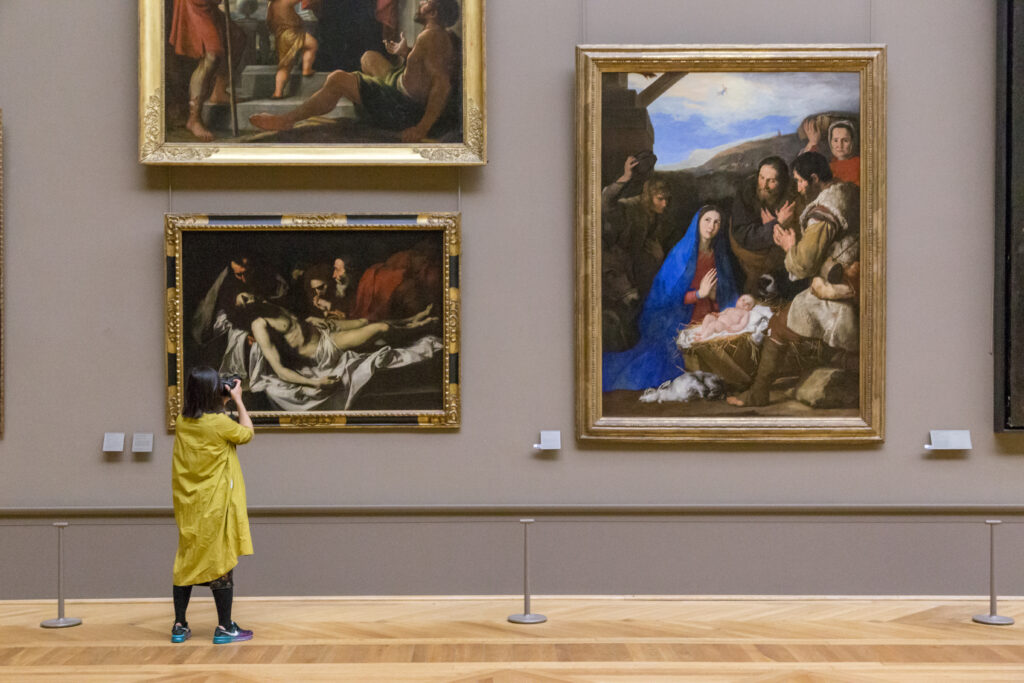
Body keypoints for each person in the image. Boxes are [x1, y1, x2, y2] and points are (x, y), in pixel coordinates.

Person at [728, 152, 859, 407]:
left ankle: (758, 393)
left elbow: (803, 264)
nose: (797, 189)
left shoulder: (824, 211)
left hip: (837, 290)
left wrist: (789, 245)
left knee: (778, 327)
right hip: (844, 282)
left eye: (799, 182)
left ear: (813, 179)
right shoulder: (848, 192)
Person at [249, 0, 461, 142]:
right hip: (401, 83)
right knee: (369, 57)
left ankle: (287, 119)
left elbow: (441, 85)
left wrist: (422, 128)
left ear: (433, 12)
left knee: (338, 79)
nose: (420, 3)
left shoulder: (432, 38)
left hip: (404, 107)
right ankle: (367, 95)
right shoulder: (434, 34)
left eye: (425, 2)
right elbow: (422, 70)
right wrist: (405, 53)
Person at [602, 205, 740, 391]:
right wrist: (699, 294)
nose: (711, 226)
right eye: (707, 220)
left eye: (717, 222)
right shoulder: (681, 254)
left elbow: (727, 293)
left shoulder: (719, 257)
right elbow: (666, 297)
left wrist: (715, 298)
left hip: (709, 312)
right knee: (661, 357)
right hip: (679, 313)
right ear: (697, 223)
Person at [171, 366, 255, 645]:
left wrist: (220, 402)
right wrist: (238, 400)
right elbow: (246, 434)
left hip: (190, 504)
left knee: (186, 560)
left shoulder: (183, 421)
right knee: (221, 562)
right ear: (212, 392)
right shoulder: (219, 424)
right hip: (216, 503)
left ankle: (180, 625)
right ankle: (224, 627)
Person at [168, 0, 246, 141]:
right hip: (194, 5)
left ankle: (218, 92)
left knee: (236, 37)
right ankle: (194, 119)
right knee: (212, 55)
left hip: (208, 5)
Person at [728, 156, 799, 296]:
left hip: (782, 252)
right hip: (748, 249)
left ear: (782, 182)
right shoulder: (747, 191)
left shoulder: (793, 193)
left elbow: (798, 231)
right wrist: (776, 224)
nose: (764, 185)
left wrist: (778, 226)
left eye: (771, 181)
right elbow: (742, 234)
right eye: (761, 178)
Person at [267, 0, 319, 99]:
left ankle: (278, 92)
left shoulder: (271, 5)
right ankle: (306, 69)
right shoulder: (282, 2)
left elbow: (270, 24)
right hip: (291, 34)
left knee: (285, 65)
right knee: (312, 44)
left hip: (282, 36)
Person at [826, 120, 860, 185]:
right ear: (830, 142)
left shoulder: (859, 164)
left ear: (852, 142)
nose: (840, 145)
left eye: (845, 140)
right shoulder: (829, 166)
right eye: (835, 140)